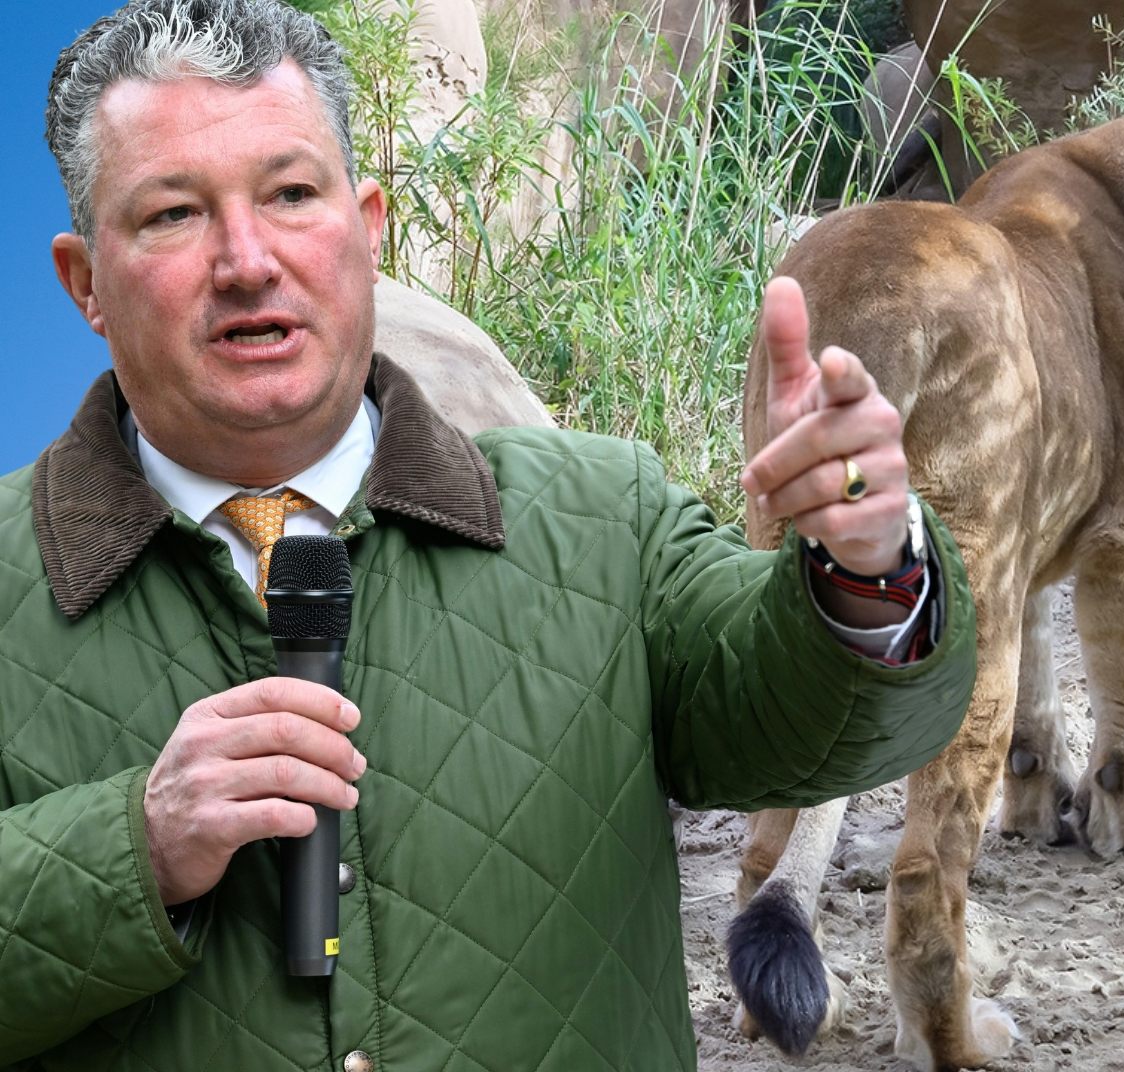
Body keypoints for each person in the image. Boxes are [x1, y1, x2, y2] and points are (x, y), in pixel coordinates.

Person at [0, 1, 976, 1069]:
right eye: (173, 214)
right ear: (85, 282)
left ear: (369, 229)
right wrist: (128, 850)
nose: (247, 259)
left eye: (290, 194)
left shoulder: (604, 521)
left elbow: (813, 731)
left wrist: (868, 569)